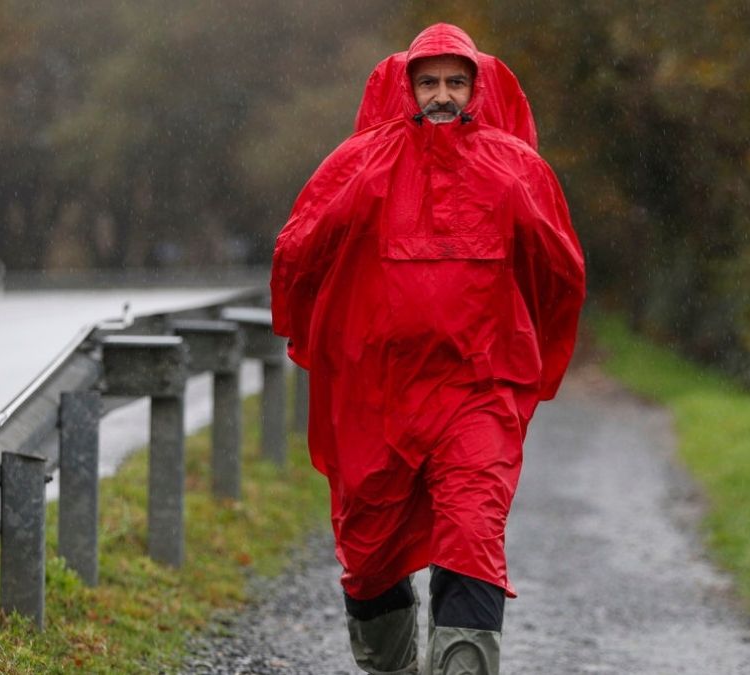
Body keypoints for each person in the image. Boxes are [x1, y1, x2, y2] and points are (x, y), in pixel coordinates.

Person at [271, 23, 585, 675]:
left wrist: (531, 359)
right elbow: (298, 253)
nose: (443, 95)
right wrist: (318, 340)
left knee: (472, 533)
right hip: (374, 395)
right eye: (430, 81)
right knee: (369, 550)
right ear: (407, 86)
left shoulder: (516, 171)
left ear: (476, 86)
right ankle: (393, 663)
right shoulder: (358, 164)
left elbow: (559, 273)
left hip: (479, 390)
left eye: (456, 81)